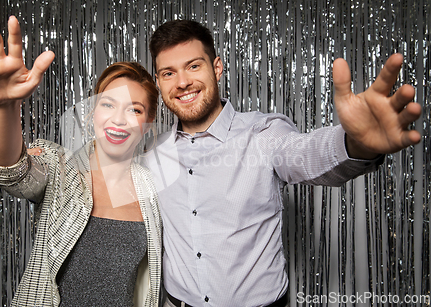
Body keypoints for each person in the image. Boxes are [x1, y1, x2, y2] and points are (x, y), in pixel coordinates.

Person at [141, 20, 422, 307]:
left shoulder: (263, 133)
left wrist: (357, 143)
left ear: (217, 68)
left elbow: (307, 153)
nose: (182, 82)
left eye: (193, 66)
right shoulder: (153, 153)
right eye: (168, 73)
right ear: (158, 81)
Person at [0, 15, 162, 307]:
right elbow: (10, 172)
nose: (118, 119)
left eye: (135, 110)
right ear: (91, 113)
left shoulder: (153, 188)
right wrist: (3, 106)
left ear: (149, 123)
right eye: (108, 104)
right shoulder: (58, 164)